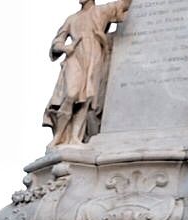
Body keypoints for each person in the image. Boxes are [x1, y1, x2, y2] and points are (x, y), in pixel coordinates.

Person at [43, 0, 132, 146]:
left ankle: (75, 137)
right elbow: (57, 42)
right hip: (75, 57)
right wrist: (65, 48)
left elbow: (124, 4)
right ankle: (59, 136)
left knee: (87, 97)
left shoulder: (102, 10)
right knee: (71, 94)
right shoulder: (72, 19)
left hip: (94, 56)